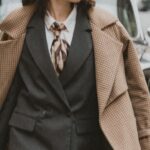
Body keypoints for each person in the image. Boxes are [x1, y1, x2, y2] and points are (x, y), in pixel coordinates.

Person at [0, 0, 150, 149]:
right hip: (26, 141)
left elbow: (137, 94)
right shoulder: (15, 26)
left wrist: (145, 140)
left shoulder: (109, 28)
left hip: (84, 142)